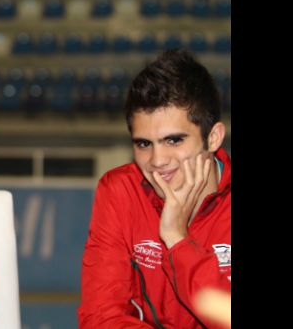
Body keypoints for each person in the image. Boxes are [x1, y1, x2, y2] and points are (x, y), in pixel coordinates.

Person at [78, 49, 231, 328]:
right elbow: (100, 316)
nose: (158, 162)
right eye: (144, 144)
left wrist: (177, 238)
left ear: (213, 138)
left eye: (173, 140)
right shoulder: (120, 191)